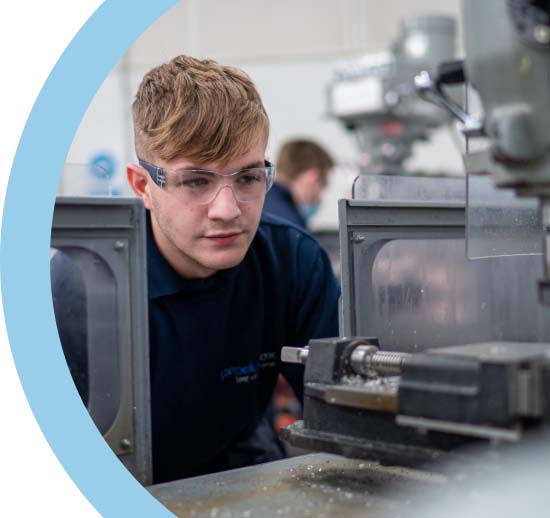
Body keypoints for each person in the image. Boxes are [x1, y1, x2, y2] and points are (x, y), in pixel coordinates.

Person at [52, 55, 340, 484]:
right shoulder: (77, 289)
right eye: (196, 182)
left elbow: (343, 422)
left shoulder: (293, 262)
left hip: (242, 465)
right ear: (142, 185)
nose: (228, 211)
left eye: (247, 178)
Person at [263, 139, 334, 230]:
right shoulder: (289, 224)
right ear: (313, 177)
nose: (319, 197)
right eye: (324, 185)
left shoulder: (262, 201)